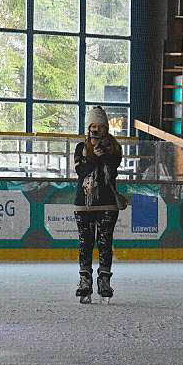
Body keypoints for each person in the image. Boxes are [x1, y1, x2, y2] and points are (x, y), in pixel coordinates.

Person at [73, 106, 123, 305]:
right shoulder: (81, 148)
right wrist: (94, 156)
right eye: (92, 126)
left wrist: (104, 156)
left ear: (106, 128)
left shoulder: (115, 148)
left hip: (107, 204)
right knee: (85, 243)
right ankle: (85, 280)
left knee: (104, 243)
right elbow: (81, 171)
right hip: (83, 204)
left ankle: (104, 280)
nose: (96, 130)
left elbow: (113, 169)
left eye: (100, 126)